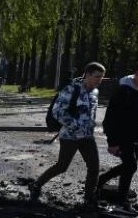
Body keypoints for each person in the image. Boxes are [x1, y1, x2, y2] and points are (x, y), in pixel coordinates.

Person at [28, 62, 106, 209]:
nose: (99, 80)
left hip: (87, 136)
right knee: (62, 166)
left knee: (94, 167)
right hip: (70, 136)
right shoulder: (72, 89)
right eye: (97, 77)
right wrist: (75, 126)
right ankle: (36, 185)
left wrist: (90, 126)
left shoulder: (95, 92)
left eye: (102, 77)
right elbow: (57, 112)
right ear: (87, 74)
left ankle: (89, 199)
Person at [97, 59, 138, 215]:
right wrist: (112, 142)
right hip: (122, 136)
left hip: (137, 136)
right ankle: (121, 202)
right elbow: (110, 118)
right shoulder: (123, 91)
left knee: (129, 167)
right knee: (131, 166)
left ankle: (102, 182)